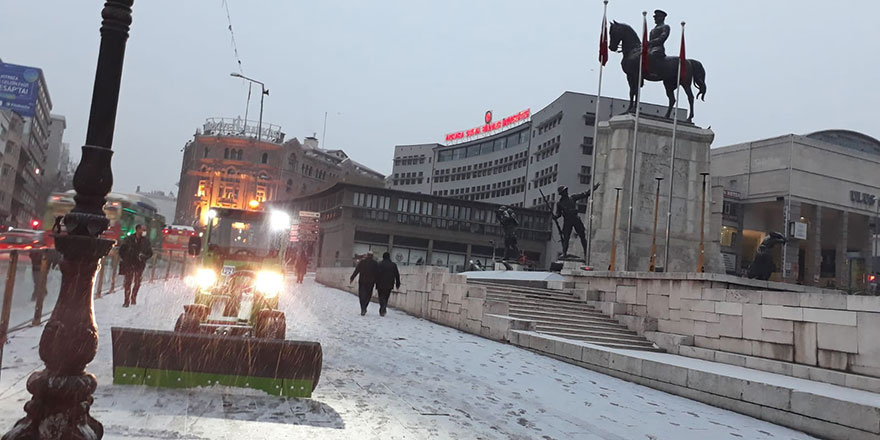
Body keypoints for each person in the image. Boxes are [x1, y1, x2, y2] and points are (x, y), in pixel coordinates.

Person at [555, 183, 600, 259]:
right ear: (561, 193)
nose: (566, 192)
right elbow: (558, 214)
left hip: (575, 219)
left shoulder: (572, 198)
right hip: (567, 221)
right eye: (564, 191)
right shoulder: (559, 203)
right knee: (566, 238)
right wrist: (555, 217)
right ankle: (564, 253)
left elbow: (584, 194)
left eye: (566, 190)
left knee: (582, 236)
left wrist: (593, 189)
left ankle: (586, 253)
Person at [118, 224, 153, 307]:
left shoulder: (146, 241)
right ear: (137, 230)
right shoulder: (129, 240)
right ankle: (126, 300)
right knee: (128, 282)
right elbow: (121, 250)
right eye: (142, 229)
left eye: (144, 230)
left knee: (137, 282)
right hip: (129, 264)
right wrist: (126, 258)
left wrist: (144, 257)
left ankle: (133, 298)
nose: (144, 231)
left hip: (139, 265)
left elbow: (150, 253)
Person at [350, 251, 379, 316]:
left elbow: (357, 270)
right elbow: (377, 274)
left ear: (367, 255)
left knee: (361, 295)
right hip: (371, 282)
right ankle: (365, 307)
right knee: (368, 296)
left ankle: (363, 308)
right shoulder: (375, 263)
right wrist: (377, 282)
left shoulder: (362, 262)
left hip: (362, 281)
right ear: (372, 256)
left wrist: (352, 278)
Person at [375, 252, 401, 317]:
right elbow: (397, 275)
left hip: (380, 283)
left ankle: (382, 307)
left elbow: (376, 274)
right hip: (389, 283)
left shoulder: (379, 264)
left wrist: (375, 281)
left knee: (381, 296)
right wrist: (398, 283)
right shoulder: (393, 265)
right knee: (386, 296)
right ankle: (383, 307)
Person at [647, 9, 670, 78]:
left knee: (651, 55)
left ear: (662, 18)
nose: (655, 19)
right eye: (655, 17)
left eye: (656, 17)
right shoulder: (652, 30)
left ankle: (654, 71)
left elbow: (662, 37)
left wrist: (650, 42)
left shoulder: (665, 27)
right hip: (650, 48)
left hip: (658, 48)